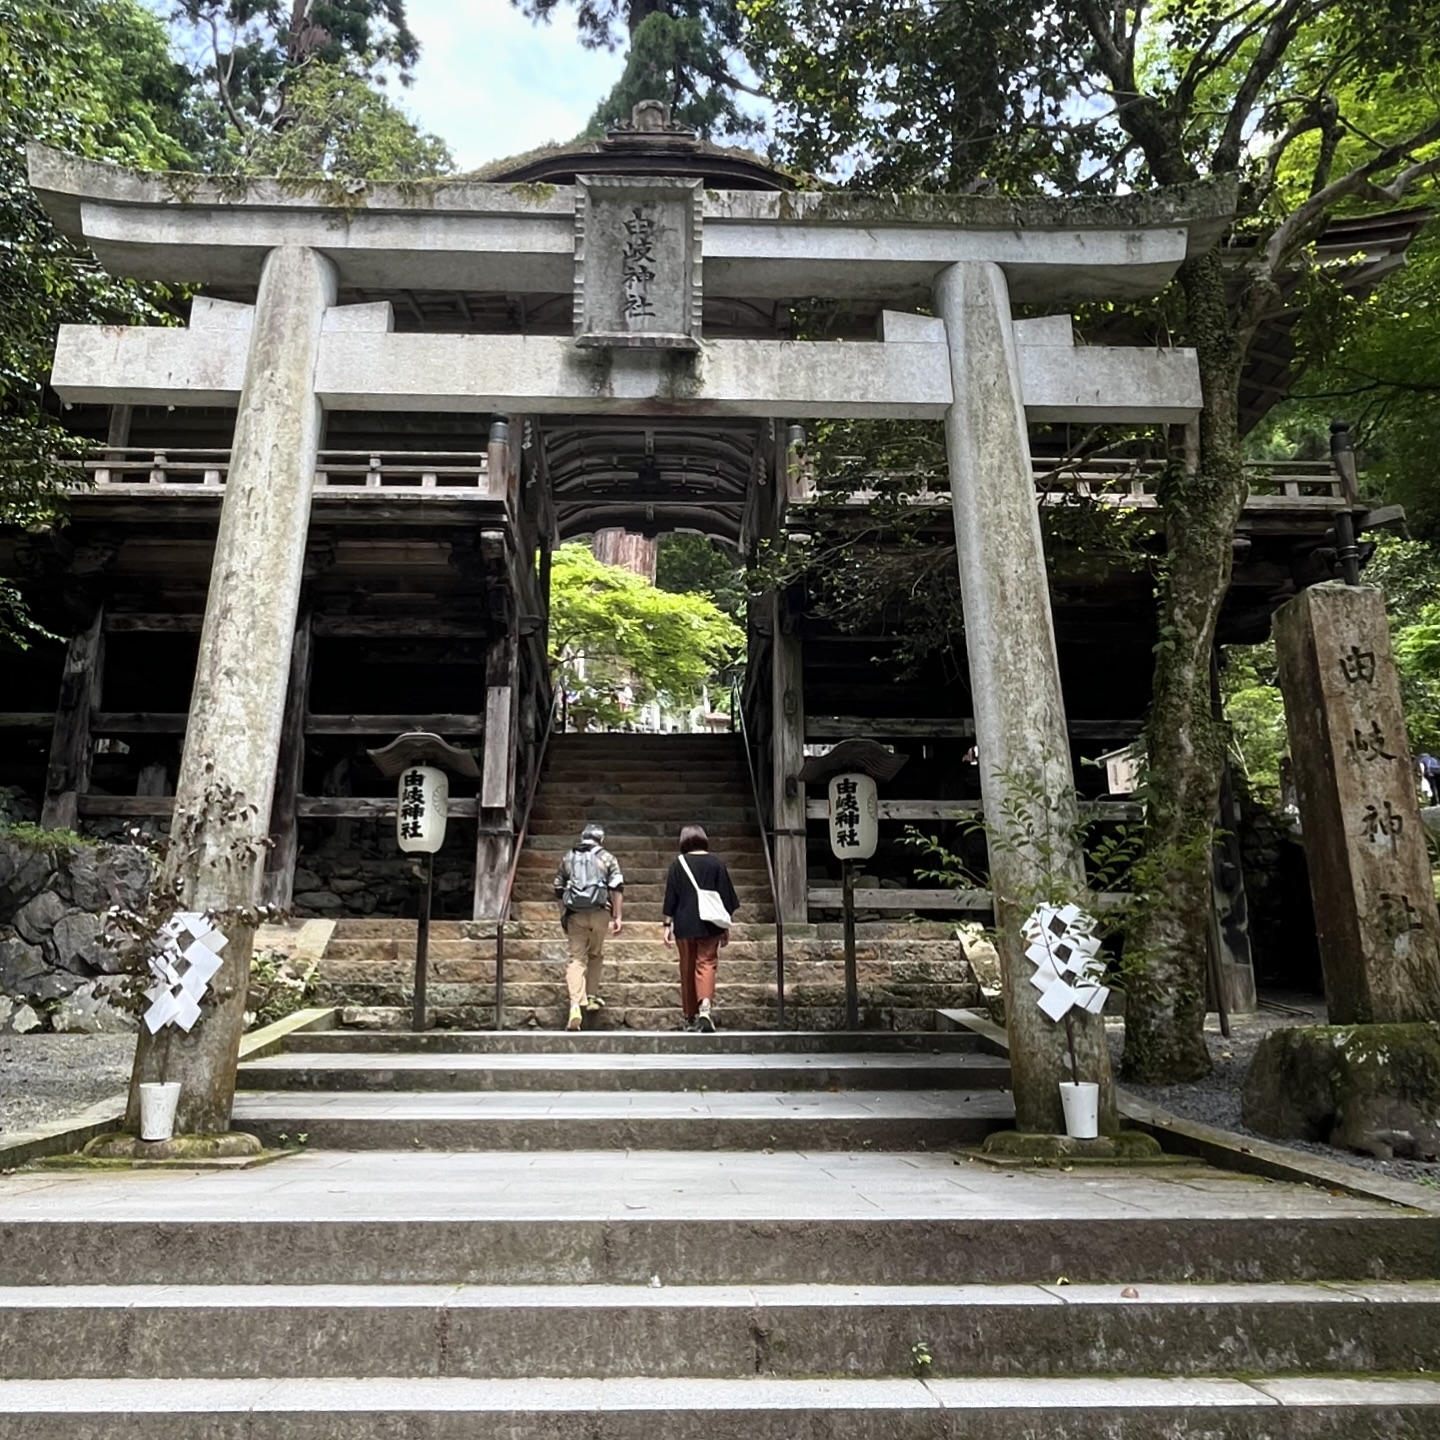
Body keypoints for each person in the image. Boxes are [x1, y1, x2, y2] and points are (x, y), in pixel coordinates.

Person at [662, 824, 741, 1033]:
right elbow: (727, 899)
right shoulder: (717, 864)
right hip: (711, 923)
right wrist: (725, 927)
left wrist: (667, 924)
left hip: (685, 923)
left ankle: (689, 1016)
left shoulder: (678, 864)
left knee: (687, 967)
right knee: (706, 963)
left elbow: (671, 896)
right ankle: (705, 1007)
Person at [553, 822, 624, 1031]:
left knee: (576, 959)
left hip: (575, 913)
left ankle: (575, 1004)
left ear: (583, 838)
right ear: (600, 840)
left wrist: (562, 914)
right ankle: (591, 996)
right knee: (595, 954)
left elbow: (558, 887)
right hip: (601, 911)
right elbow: (617, 887)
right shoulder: (608, 858)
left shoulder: (569, 857)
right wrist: (618, 916)